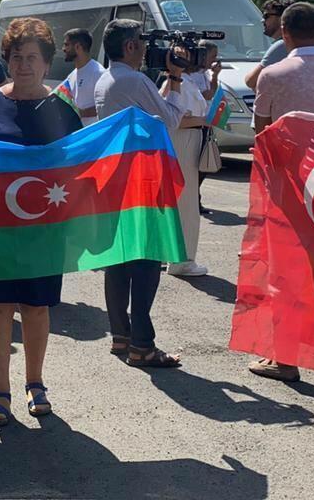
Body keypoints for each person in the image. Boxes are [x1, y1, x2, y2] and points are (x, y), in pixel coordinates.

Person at [0, 17, 82, 428]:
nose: (24, 65)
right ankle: (0, 391)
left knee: (35, 307)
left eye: (32, 57)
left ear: (47, 63)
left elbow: (79, 166)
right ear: (7, 60)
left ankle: (36, 383)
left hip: (44, 228)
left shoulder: (62, 109)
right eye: (16, 57)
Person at [248, 2, 314, 383]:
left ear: (285, 33)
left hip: (290, 183)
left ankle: (287, 358)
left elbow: (263, 132)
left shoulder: (273, 74)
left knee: (287, 270)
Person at [95, 18, 203, 369]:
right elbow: (169, 119)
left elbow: (153, 112)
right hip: (141, 179)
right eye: (143, 44)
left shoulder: (106, 79)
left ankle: (121, 335)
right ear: (130, 46)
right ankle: (142, 344)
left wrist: (169, 79)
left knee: (119, 259)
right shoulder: (135, 80)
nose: (146, 51)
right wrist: (176, 79)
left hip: (116, 177)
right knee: (146, 261)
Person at [162, 48, 211, 280]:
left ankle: (173, 255)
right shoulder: (177, 83)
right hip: (183, 140)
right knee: (186, 202)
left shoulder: (185, 82)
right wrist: (206, 120)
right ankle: (182, 260)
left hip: (187, 140)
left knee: (181, 200)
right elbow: (176, 120)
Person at [185, 40, 222, 214]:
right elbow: (206, 94)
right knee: (195, 164)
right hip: (194, 123)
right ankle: (193, 199)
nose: (215, 60)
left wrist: (214, 76)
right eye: (212, 56)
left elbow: (212, 93)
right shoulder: (191, 75)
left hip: (205, 121)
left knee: (203, 163)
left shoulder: (204, 73)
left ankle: (195, 197)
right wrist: (215, 76)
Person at [244, 0, 293, 91]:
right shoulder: (298, 43)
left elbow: (251, 81)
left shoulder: (281, 45)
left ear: (282, 18)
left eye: (266, 16)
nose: (262, 20)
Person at [60, 28, 105, 126]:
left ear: (77, 47)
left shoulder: (98, 73)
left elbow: (105, 106)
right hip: (78, 132)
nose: (63, 49)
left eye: (66, 45)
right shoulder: (71, 76)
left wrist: (80, 113)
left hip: (93, 133)